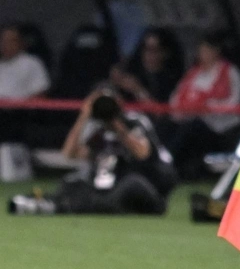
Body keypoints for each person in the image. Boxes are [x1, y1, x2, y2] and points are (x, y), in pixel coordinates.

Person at [8, 89, 177, 215]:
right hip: (110, 192)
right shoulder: (100, 132)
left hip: (146, 187)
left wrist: (117, 125)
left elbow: (142, 153)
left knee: (131, 184)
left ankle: (64, 206)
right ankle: (44, 203)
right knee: (71, 182)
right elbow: (70, 153)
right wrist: (84, 116)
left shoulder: (134, 122)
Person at [165, 32, 240, 179]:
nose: (203, 54)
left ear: (216, 51)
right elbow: (176, 98)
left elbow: (234, 103)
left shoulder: (230, 72)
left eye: (207, 50)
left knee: (193, 128)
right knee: (168, 125)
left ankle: (168, 164)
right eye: (201, 50)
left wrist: (207, 106)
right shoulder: (193, 74)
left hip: (222, 126)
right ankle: (165, 163)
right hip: (192, 121)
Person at [0, 24, 51, 143]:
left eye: (12, 41)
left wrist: (18, 105)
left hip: (18, 115)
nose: (6, 45)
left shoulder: (31, 63)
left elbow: (41, 94)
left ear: (21, 43)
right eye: (3, 41)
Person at [110, 27, 185, 104]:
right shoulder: (133, 71)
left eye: (154, 50)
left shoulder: (173, 80)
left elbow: (160, 112)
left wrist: (138, 90)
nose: (148, 55)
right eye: (146, 49)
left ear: (165, 53)